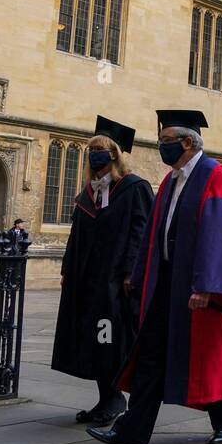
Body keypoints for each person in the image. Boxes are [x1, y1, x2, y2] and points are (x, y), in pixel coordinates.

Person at [87, 110, 222, 444]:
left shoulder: (217, 176)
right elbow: (155, 232)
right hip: (166, 282)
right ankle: (132, 431)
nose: (161, 147)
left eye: (166, 141)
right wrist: (139, 275)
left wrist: (206, 286)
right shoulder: (170, 180)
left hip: (200, 286)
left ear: (188, 142)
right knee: (150, 354)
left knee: (213, 355)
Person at [52, 116, 153, 426]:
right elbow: (76, 233)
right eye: (91, 149)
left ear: (114, 155)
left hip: (114, 281)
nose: (94, 154)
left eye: (101, 149)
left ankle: (117, 399)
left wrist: (129, 274)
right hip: (87, 280)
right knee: (92, 339)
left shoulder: (134, 188)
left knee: (110, 339)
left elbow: (141, 232)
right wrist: (68, 268)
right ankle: (105, 399)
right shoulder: (89, 192)